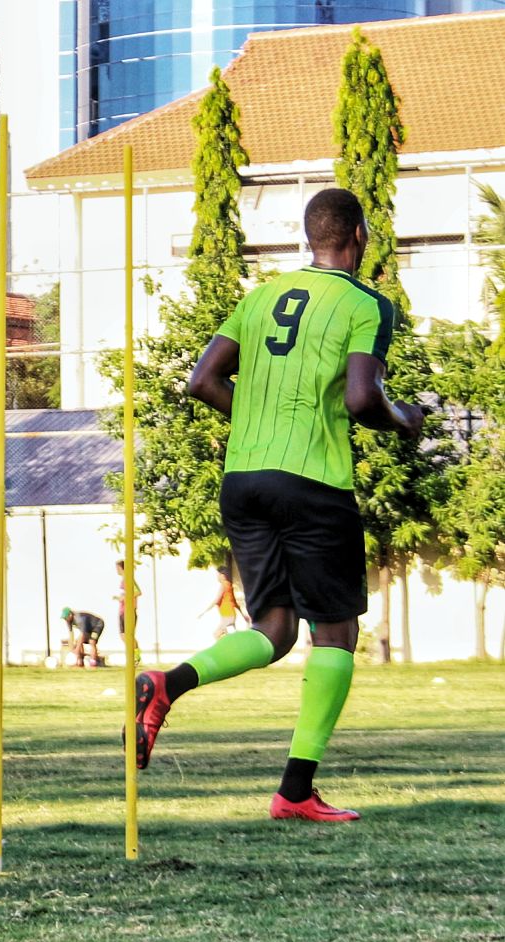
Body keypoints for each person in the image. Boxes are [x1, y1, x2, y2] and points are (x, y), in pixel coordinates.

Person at [132, 188, 427, 822]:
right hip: (311, 481)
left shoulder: (259, 296)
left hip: (244, 478)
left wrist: (260, 425)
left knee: (274, 627)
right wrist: (406, 420)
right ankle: (295, 791)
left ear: (308, 235)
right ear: (357, 237)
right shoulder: (367, 304)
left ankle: (167, 684)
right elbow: (360, 399)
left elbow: (202, 381)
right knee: (337, 631)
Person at [199, 566, 250, 639]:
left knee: (216, 634)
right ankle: (234, 647)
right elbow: (235, 603)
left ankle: (225, 649)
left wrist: (204, 612)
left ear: (222, 575)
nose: (217, 577)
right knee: (228, 636)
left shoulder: (224, 585)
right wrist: (244, 616)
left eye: (218, 574)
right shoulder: (229, 585)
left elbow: (216, 600)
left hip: (227, 615)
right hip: (231, 615)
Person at [114, 559, 141, 639]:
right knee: (123, 635)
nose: (116, 571)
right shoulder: (124, 579)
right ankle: (133, 651)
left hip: (129, 610)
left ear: (120, 568)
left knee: (128, 636)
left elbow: (138, 592)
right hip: (123, 610)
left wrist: (124, 597)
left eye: (117, 568)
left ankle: (136, 651)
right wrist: (120, 598)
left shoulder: (128, 579)